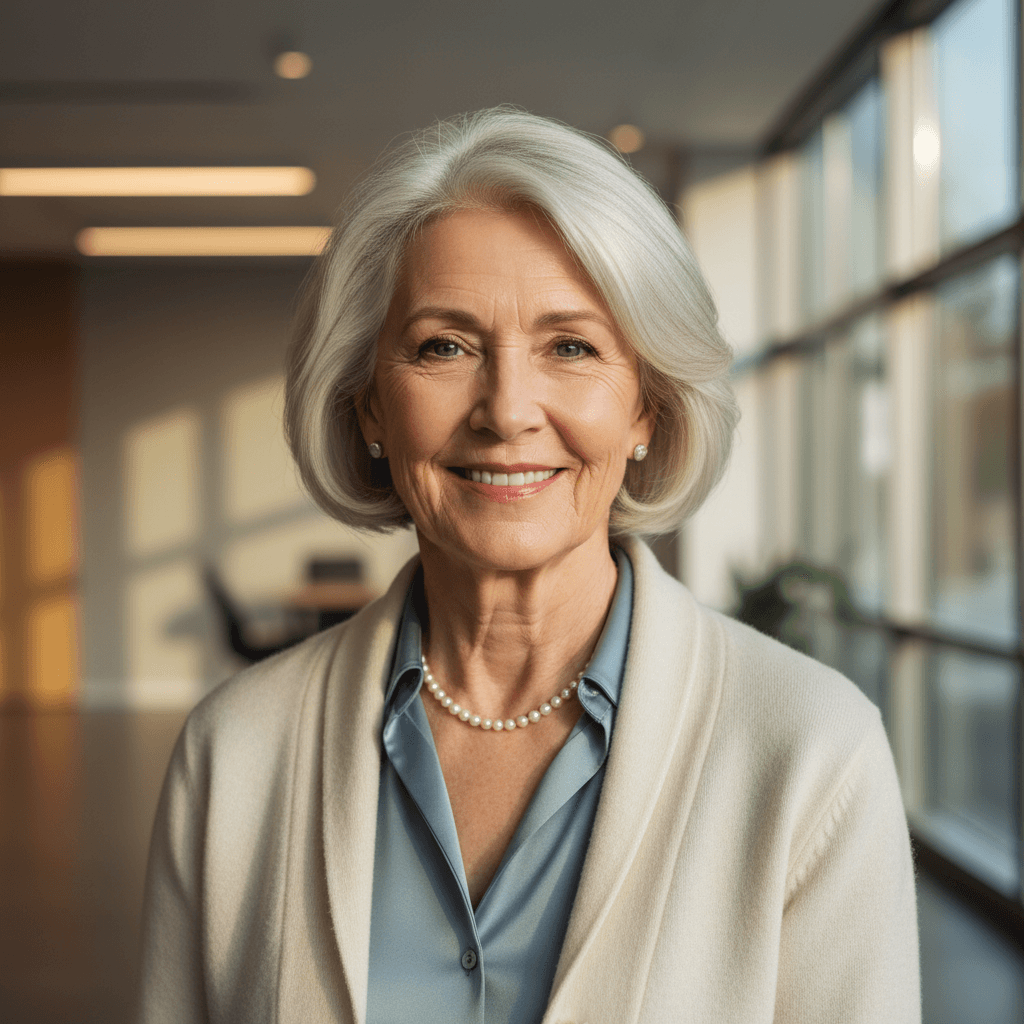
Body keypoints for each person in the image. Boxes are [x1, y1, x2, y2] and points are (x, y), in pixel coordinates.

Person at [136, 107, 919, 1024]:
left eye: (571, 347)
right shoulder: (233, 754)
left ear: (646, 411)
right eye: (445, 347)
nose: (507, 410)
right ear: (368, 407)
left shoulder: (812, 751)